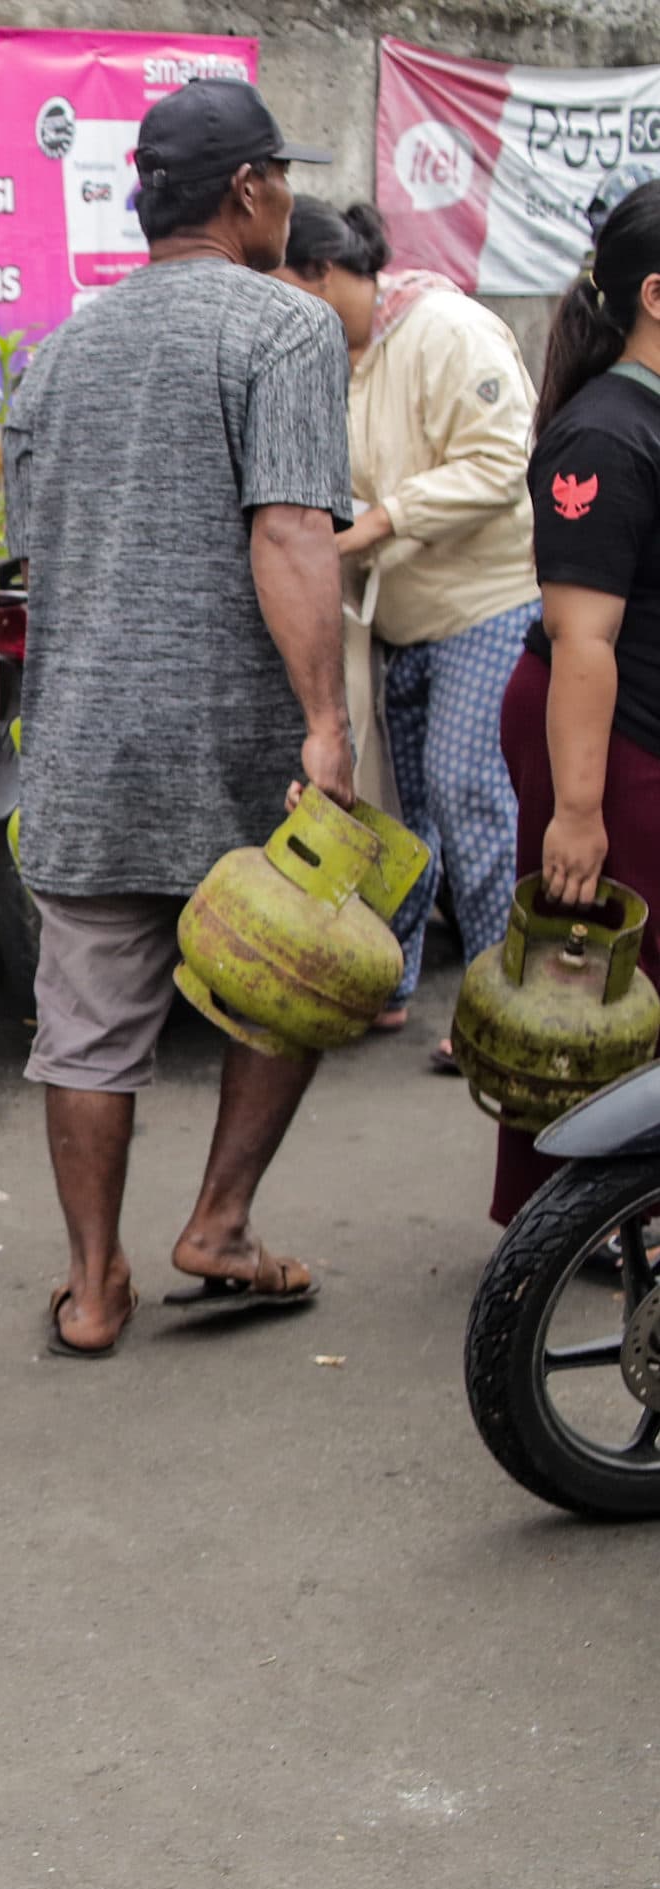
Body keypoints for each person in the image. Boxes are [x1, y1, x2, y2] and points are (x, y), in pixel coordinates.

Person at [1, 78, 353, 1358]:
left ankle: (94, 1287)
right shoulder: (286, 328)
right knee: (291, 976)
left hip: (87, 740)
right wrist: (326, 719)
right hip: (238, 738)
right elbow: (293, 527)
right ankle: (220, 1218)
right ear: (250, 189)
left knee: (86, 1025)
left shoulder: (59, 354)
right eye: (284, 179)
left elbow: (30, 559)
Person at [278, 197, 541, 1048]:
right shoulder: (329, 357)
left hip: (488, 601)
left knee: (468, 790)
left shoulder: (447, 330)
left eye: (286, 284)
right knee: (408, 809)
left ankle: (505, 1006)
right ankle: (389, 975)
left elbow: (503, 463)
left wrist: (383, 520)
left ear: (321, 271)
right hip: (399, 616)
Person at [494, 183, 660, 1221]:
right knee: (600, 975)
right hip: (607, 736)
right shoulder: (604, 436)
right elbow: (584, 639)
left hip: (628, 730)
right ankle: (576, 1221)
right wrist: (579, 810)